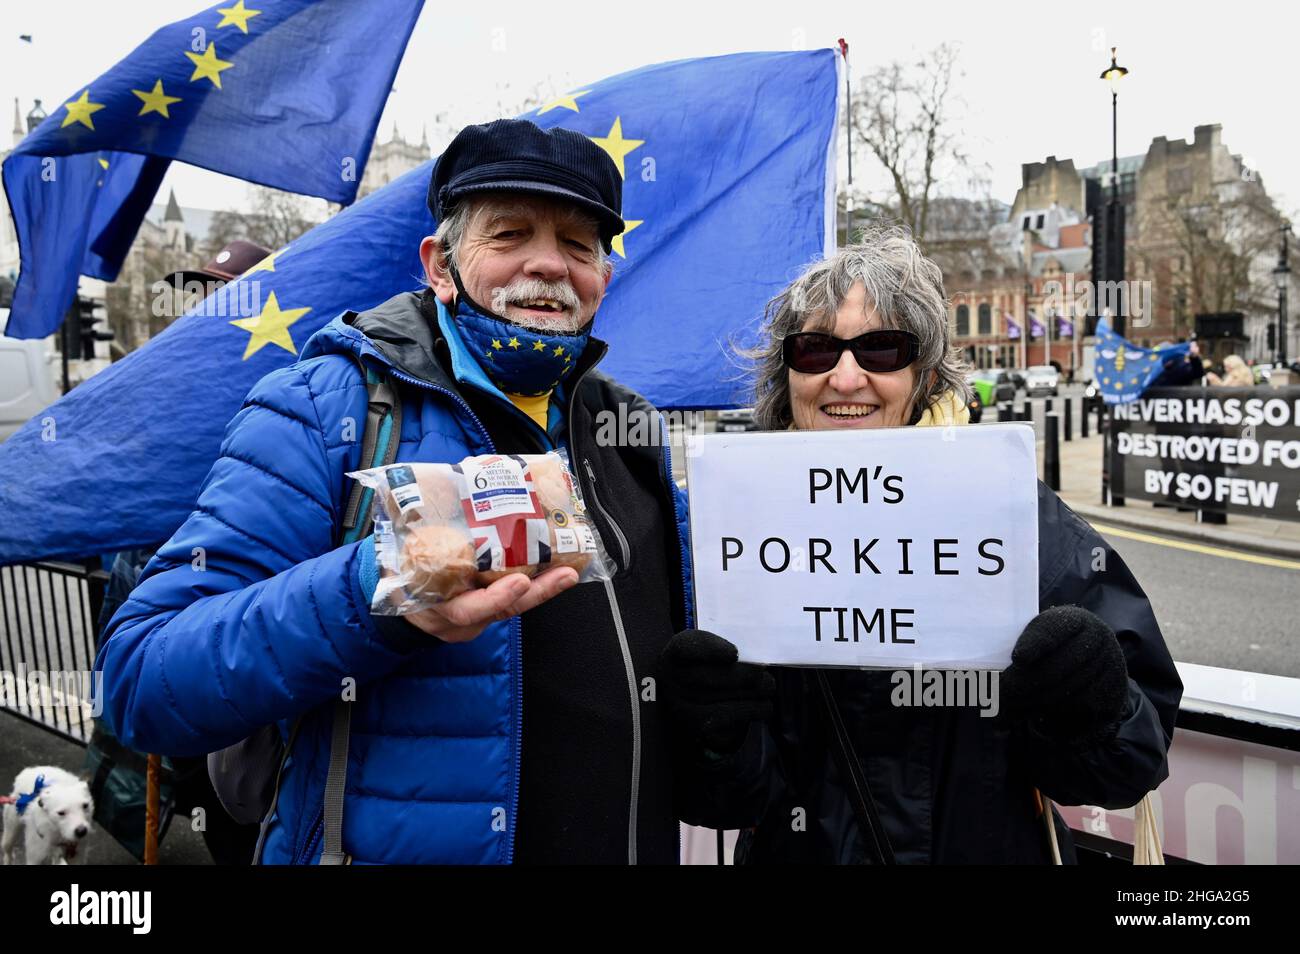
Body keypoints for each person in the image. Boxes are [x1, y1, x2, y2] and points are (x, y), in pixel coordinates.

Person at [97, 119, 693, 864]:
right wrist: (381, 587)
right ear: (440, 266)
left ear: (604, 275)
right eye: (509, 234)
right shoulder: (325, 407)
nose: (548, 263)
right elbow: (142, 680)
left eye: (579, 245)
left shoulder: (630, 430)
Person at [665, 228, 1182, 863]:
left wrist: (1093, 706)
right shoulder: (731, 530)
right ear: (787, 373)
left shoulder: (1016, 513)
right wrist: (709, 739)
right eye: (815, 349)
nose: (845, 376)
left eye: (881, 350)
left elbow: (1127, 769)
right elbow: (719, 802)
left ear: (926, 375)